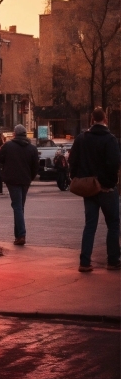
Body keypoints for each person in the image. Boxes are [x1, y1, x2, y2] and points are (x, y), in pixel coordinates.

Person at [69, 107, 120, 273]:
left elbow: (73, 162)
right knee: (113, 224)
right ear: (105, 120)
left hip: (88, 187)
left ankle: (84, 262)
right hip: (106, 188)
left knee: (90, 225)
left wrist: (78, 177)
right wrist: (108, 183)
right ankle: (113, 259)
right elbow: (113, 164)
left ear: (91, 120)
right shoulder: (110, 139)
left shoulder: (81, 139)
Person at [0, 124, 39, 245]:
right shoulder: (32, 148)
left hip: (12, 180)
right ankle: (18, 235)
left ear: (15, 134)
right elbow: (35, 167)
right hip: (25, 180)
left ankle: (21, 234)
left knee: (17, 206)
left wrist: (2, 171)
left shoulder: (8, 146)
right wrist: (30, 178)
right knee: (20, 207)